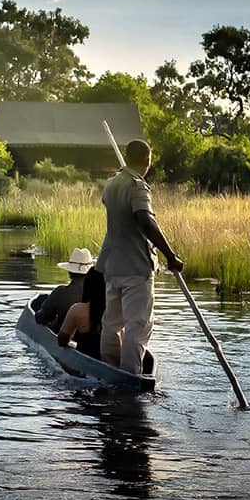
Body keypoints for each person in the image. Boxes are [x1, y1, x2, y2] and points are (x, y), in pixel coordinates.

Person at [96, 139, 183, 374]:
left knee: (112, 324)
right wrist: (170, 255)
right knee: (138, 325)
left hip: (113, 266)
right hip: (135, 267)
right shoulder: (137, 186)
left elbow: (113, 208)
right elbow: (145, 220)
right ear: (147, 160)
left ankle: (109, 369)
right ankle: (130, 375)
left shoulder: (111, 184)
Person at [35, 247, 93, 332]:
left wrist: (38, 313)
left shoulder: (61, 292)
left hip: (64, 337)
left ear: (69, 272)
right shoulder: (101, 293)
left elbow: (42, 318)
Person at [57, 267, 106, 359]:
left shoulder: (78, 309)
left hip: (84, 358)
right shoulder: (117, 311)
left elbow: (62, 340)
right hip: (109, 361)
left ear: (88, 285)